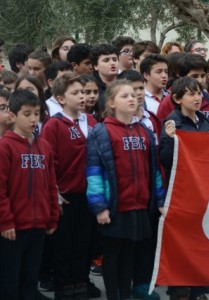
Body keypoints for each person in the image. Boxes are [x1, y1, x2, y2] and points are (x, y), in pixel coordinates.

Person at [86, 80, 165, 299]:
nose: (132, 98)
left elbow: (154, 170)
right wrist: (99, 206)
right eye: (124, 96)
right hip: (115, 207)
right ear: (111, 102)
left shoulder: (144, 132)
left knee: (130, 254)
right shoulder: (102, 132)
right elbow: (94, 172)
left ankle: (126, 293)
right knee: (113, 255)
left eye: (133, 95)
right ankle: (114, 294)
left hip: (139, 204)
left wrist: (159, 199)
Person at [40, 73, 97, 299]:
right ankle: (63, 285)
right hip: (66, 194)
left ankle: (81, 281)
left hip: (90, 193)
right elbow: (49, 161)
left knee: (85, 241)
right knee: (64, 244)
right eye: (76, 93)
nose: (82, 97)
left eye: (83, 92)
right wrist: (54, 192)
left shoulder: (92, 122)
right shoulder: (54, 124)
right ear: (61, 99)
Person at [159, 77, 209, 300]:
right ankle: (180, 289)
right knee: (182, 241)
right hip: (181, 191)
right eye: (191, 94)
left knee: (200, 240)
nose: (197, 98)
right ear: (177, 99)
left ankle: (198, 289)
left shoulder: (205, 121)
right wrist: (172, 139)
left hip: (203, 190)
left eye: (199, 93)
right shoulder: (172, 123)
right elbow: (164, 159)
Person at [0, 89, 59, 299]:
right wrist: (5, 221)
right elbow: (1, 189)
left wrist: (52, 216)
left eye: (36, 113)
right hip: (14, 227)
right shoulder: (5, 146)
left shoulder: (44, 146)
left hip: (38, 224)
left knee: (29, 279)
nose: (33, 118)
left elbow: (51, 184)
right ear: (12, 115)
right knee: (9, 280)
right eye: (27, 114)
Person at [157, 54, 209, 125]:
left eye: (203, 76)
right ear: (181, 77)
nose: (200, 81)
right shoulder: (168, 102)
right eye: (194, 76)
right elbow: (160, 130)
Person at [90, 43, 119, 119]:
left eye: (115, 59)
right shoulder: (90, 87)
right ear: (95, 66)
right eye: (106, 60)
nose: (112, 63)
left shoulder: (127, 82)